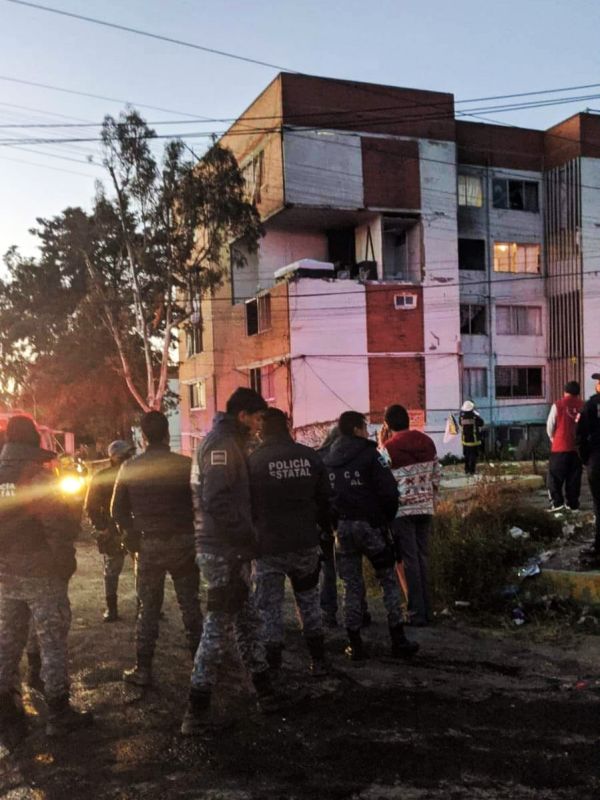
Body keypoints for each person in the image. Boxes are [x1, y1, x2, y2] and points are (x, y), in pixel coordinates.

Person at [181, 388, 285, 736]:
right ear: (242, 415)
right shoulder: (223, 446)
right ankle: (196, 710)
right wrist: (246, 537)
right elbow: (216, 500)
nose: (259, 426)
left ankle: (264, 691)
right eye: (257, 419)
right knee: (218, 627)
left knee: (247, 619)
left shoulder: (227, 442)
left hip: (229, 548)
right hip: (224, 550)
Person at [0, 415, 92, 738]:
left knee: (8, 639)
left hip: (6, 572)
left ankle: (4, 706)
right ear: (32, 441)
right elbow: (60, 525)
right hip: (41, 570)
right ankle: (58, 710)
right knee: (51, 639)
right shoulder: (38, 477)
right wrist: (63, 560)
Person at [112, 411, 203, 687]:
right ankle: (201, 666)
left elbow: (117, 510)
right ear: (166, 435)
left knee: (148, 609)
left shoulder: (129, 467)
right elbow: (201, 503)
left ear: (142, 437)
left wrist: (130, 534)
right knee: (191, 606)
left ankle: (143, 669)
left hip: (148, 546)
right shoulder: (186, 464)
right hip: (184, 544)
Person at [323, 411, 418, 661]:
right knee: (387, 579)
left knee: (351, 585)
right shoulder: (370, 455)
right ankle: (398, 638)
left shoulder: (329, 459)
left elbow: (324, 498)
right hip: (371, 527)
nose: (367, 431)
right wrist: (384, 520)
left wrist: (334, 524)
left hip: (342, 530)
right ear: (356, 429)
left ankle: (355, 644)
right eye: (364, 427)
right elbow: (389, 492)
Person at [250, 408, 332, 676]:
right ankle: (318, 660)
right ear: (286, 427)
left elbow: (245, 507)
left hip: (268, 546)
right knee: (309, 601)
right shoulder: (310, 457)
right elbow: (326, 501)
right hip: (305, 543)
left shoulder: (254, 462)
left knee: (268, 606)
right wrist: (322, 530)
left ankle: (273, 665)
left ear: (262, 431)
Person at [379, 405, 441, 627]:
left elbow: (382, 481)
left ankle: (416, 613)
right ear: (407, 421)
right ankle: (428, 610)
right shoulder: (427, 442)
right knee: (423, 557)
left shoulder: (388, 448)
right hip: (425, 507)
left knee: (409, 561)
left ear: (387, 424)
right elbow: (437, 475)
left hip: (402, 511)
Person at [84, 440, 135, 622]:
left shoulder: (133, 474)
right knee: (113, 570)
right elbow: (90, 507)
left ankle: (140, 607)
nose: (128, 458)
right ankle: (113, 608)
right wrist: (102, 527)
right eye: (125, 455)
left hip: (128, 528)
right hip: (115, 529)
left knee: (134, 570)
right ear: (114, 457)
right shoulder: (103, 477)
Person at [546, 381, 584, 512]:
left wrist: (553, 439)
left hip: (560, 448)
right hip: (577, 450)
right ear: (578, 393)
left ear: (565, 391)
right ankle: (573, 505)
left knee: (554, 478)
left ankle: (557, 505)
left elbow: (550, 426)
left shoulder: (558, 404)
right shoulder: (583, 406)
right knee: (574, 479)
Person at [576, 373, 600, 555]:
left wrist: (586, 458)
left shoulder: (591, 405)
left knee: (599, 503)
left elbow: (580, 436)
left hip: (597, 459)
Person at [459, 401, 484, 476]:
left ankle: (466, 470)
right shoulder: (475, 417)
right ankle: (472, 471)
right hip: (474, 440)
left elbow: (460, 424)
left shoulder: (461, 417)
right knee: (473, 456)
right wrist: (477, 415)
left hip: (465, 440)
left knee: (466, 456)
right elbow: (482, 423)